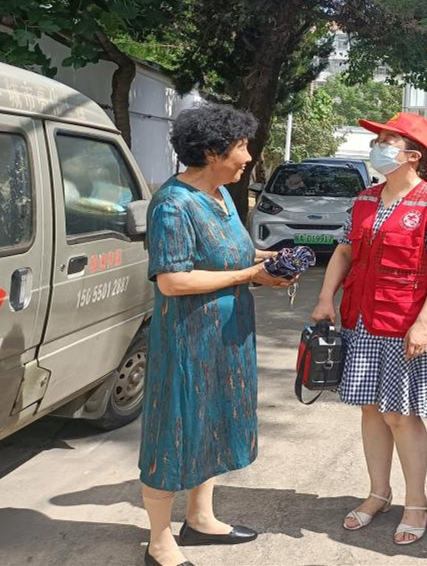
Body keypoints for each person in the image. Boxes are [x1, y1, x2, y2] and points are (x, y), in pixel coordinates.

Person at [140, 103, 287, 566]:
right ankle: (159, 542)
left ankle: (200, 518)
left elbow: (231, 252)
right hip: (187, 338)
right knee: (175, 429)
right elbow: (173, 281)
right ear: (211, 152)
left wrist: (270, 259)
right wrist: (248, 276)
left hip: (228, 334)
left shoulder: (222, 195)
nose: (248, 156)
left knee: (213, 421)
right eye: (241, 147)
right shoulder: (173, 204)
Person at [310, 112, 427, 546]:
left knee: (400, 413)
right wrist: (325, 297)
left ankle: (417, 502)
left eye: (388, 141)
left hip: (403, 324)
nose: (377, 147)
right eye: (378, 140)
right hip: (360, 318)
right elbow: (344, 252)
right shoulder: (365, 199)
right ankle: (378, 492)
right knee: (370, 409)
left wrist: (424, 322)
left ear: (413, 156)